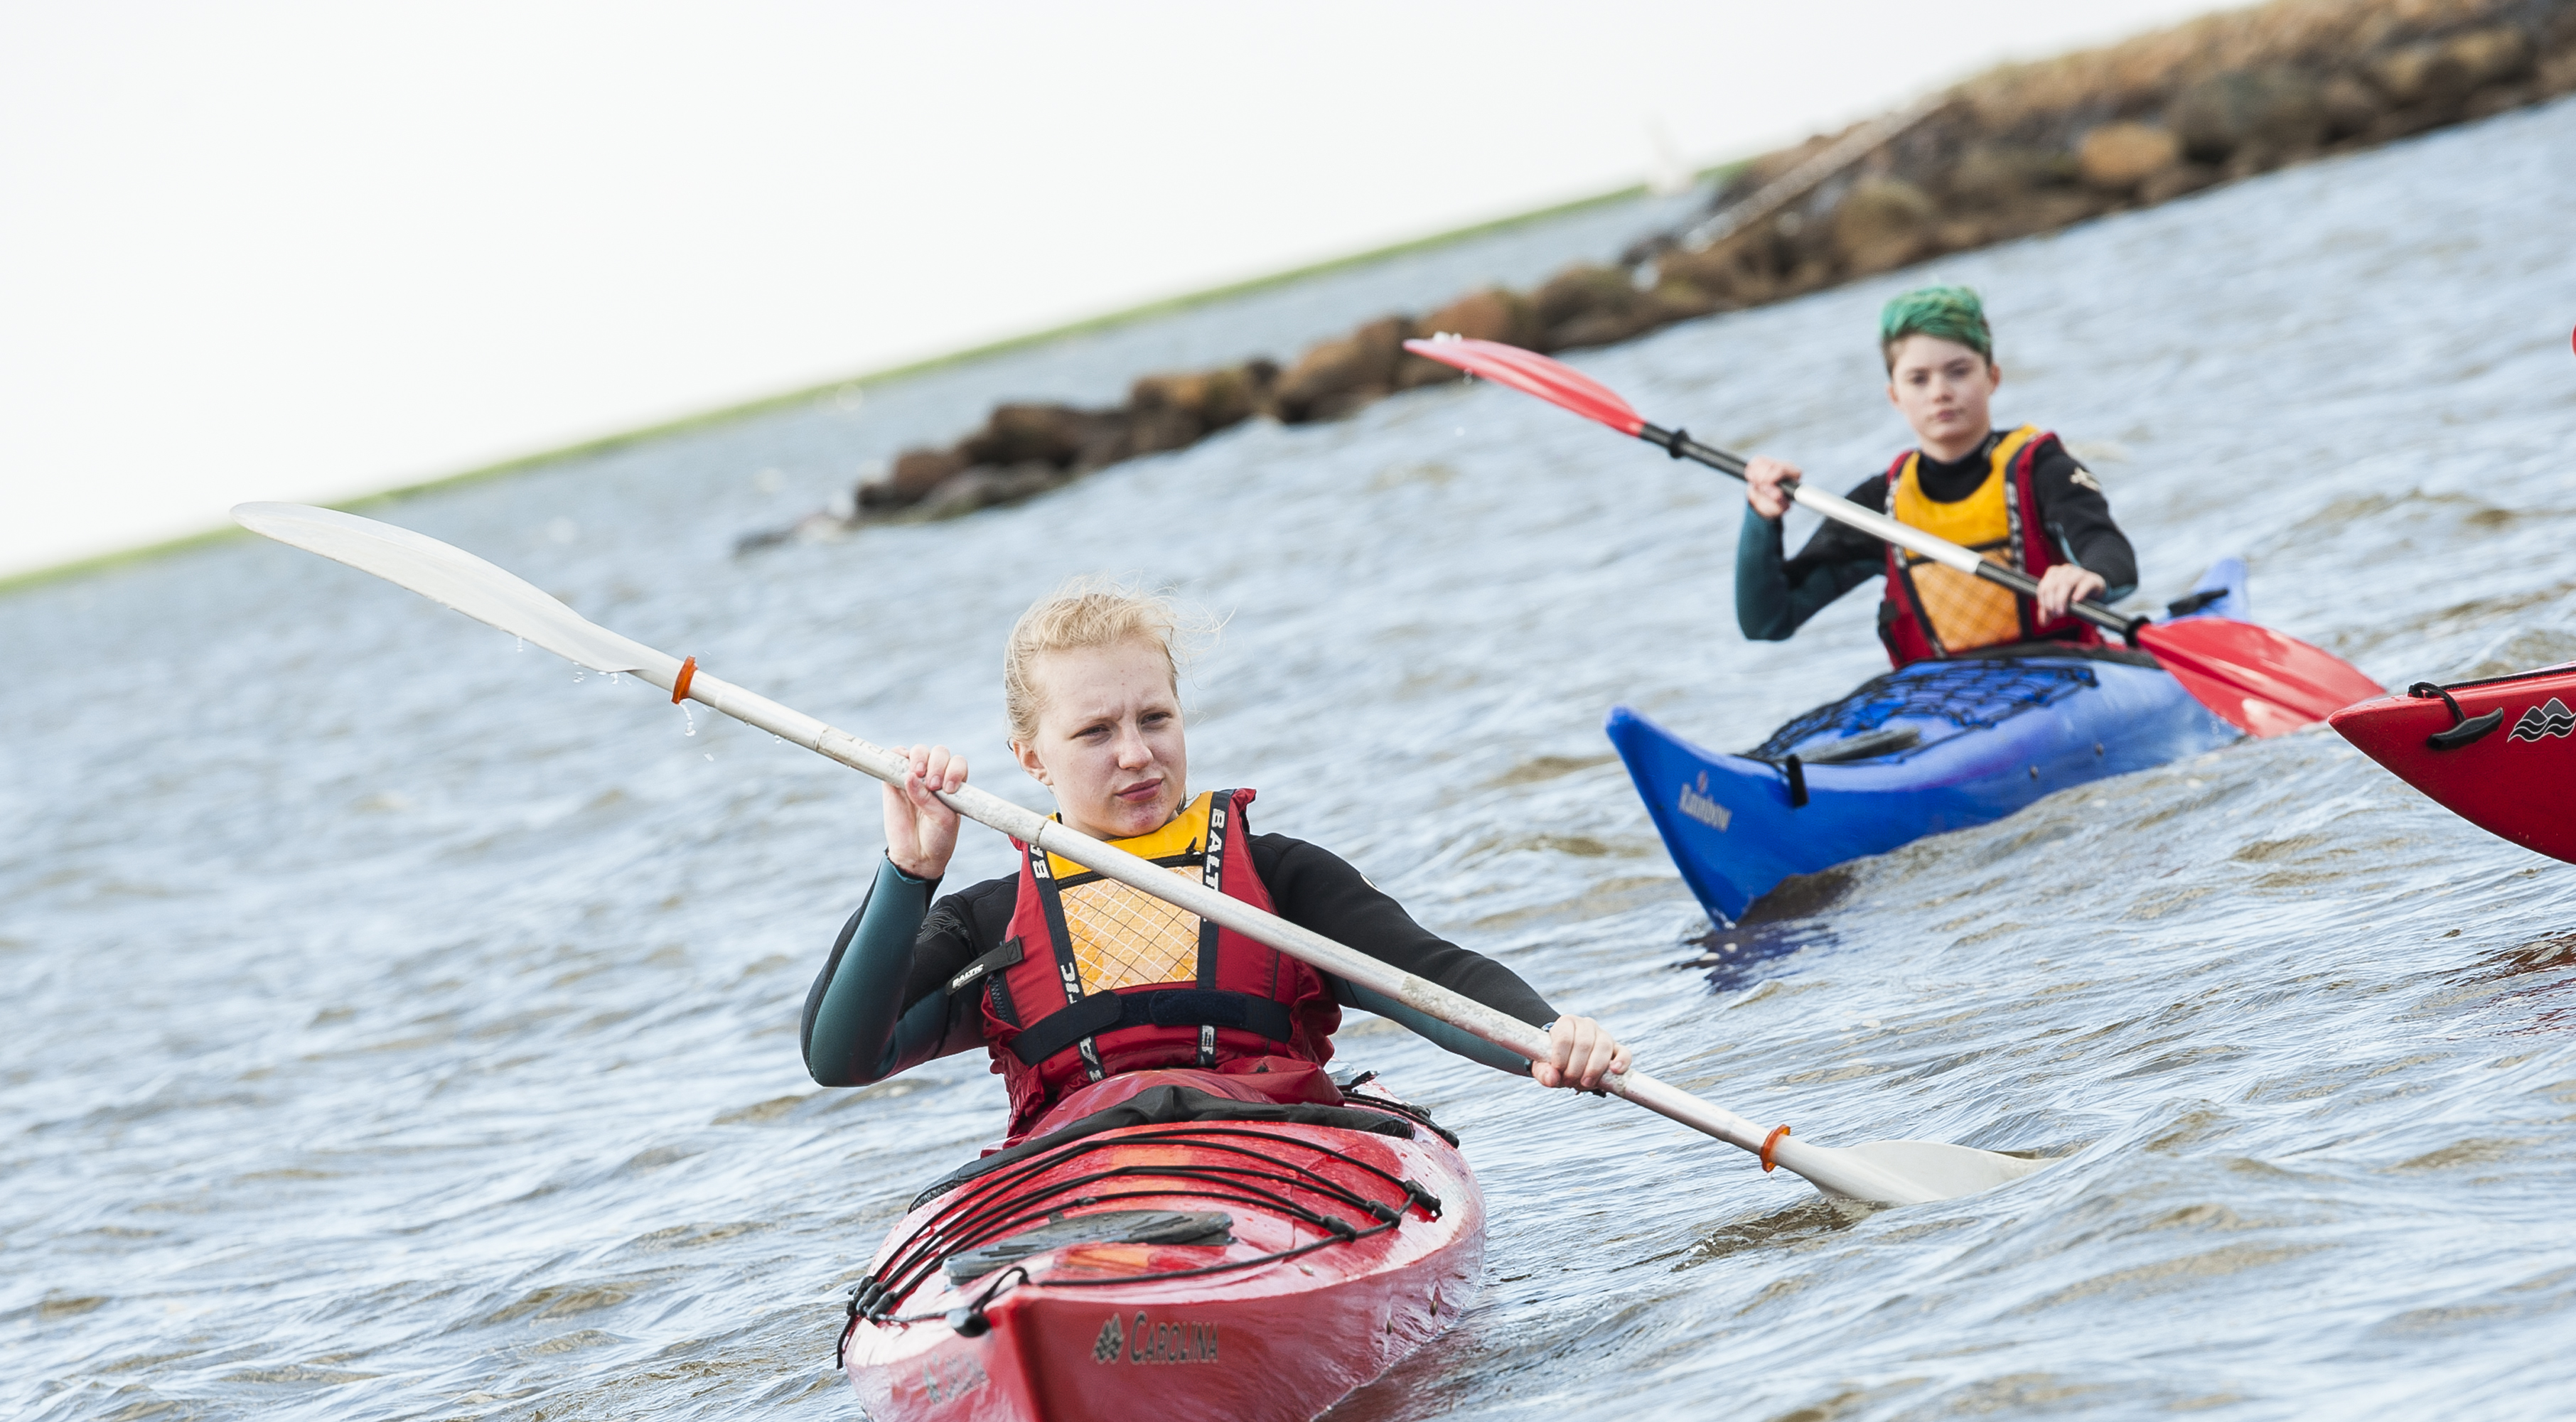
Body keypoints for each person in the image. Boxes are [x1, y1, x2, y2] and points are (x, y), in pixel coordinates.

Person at [801, 578, 1628, 1133]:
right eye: (1095, 731)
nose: (1136, 754)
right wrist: (907, 874)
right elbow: (841, 1056)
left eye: (1154, 718)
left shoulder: (1278, 880)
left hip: (1273, 1170)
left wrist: (1549, 1036)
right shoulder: (983, 923)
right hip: (1082, 1202)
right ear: (1032, 760)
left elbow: (1433, 979)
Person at [1737, 284, 2138, 665]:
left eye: (1958, 371)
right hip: (1945, 697)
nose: (1939, 392)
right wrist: (1761, 520)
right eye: (1918, 379)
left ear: (1992, 377)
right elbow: (1768, 621)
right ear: (1895, 395)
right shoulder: (1879, 506)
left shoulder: (2044, 472)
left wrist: (2090, 575)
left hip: (2063, 670)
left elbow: (2109, 551)